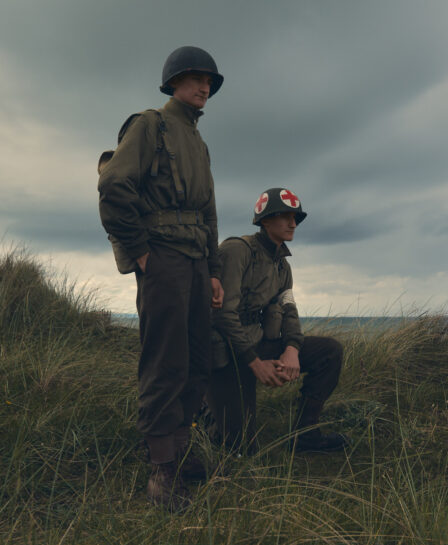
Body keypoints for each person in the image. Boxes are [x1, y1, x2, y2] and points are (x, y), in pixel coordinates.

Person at [98, 46, 224, 509]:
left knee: (196, 361)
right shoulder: (150, 124)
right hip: (164, 258)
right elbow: (113, 186)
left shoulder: (199, 142)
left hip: (193, 262)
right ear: (174, 83)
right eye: (194, 78)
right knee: (166, 362)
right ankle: (161, 471)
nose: (204, 86)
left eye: (209, 80)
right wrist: (140, 252)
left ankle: (178, 447)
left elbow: (208, 213)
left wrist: (212, 271)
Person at [204, 188, 349, 454]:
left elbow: (288, 308)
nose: (292, 223)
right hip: (226, 352)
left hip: (256, 345)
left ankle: (306, 435)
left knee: (329, 352)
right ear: (265, 220)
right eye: (284, 216)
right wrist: (255, 364)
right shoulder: (237, 250)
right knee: (240, 450)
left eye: (295, 217)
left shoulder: (283, 265)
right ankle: (207, 412)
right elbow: (222, 314)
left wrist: (292, 348)